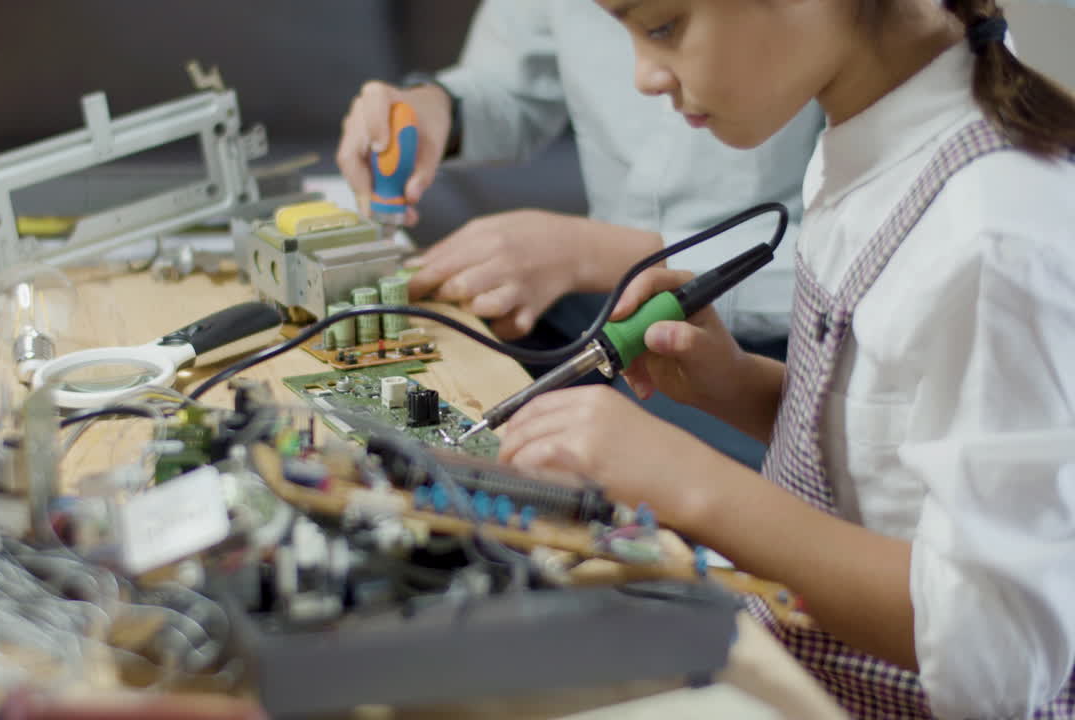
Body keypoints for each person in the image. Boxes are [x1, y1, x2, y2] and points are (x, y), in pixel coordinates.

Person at [495, 0, 1075, 717]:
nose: (643, 77)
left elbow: (996, 653)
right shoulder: (867, 146)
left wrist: (689, 485)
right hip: (797, 671)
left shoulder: (992, 240)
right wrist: (737, 386)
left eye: (663, 27)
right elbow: (889, 465)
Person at [336, 0, 823, 469]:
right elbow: (512, 81)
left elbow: (845, 269)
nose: (643, 78)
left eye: (662, 28)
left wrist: (608, 256)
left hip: (785, 345)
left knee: (621, 464)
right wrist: (439, 107)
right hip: (607, 304)